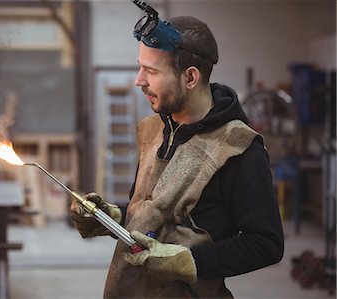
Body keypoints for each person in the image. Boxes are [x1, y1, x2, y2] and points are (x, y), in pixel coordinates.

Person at [71, 14, 284, 298]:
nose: (139, 81)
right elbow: (149, 214)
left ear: (191, 77)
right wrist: (111, 217)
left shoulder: (237, 147)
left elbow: (266, 243)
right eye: (140, 68)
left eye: (152, 71)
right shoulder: (153, 129)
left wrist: (189, 262)